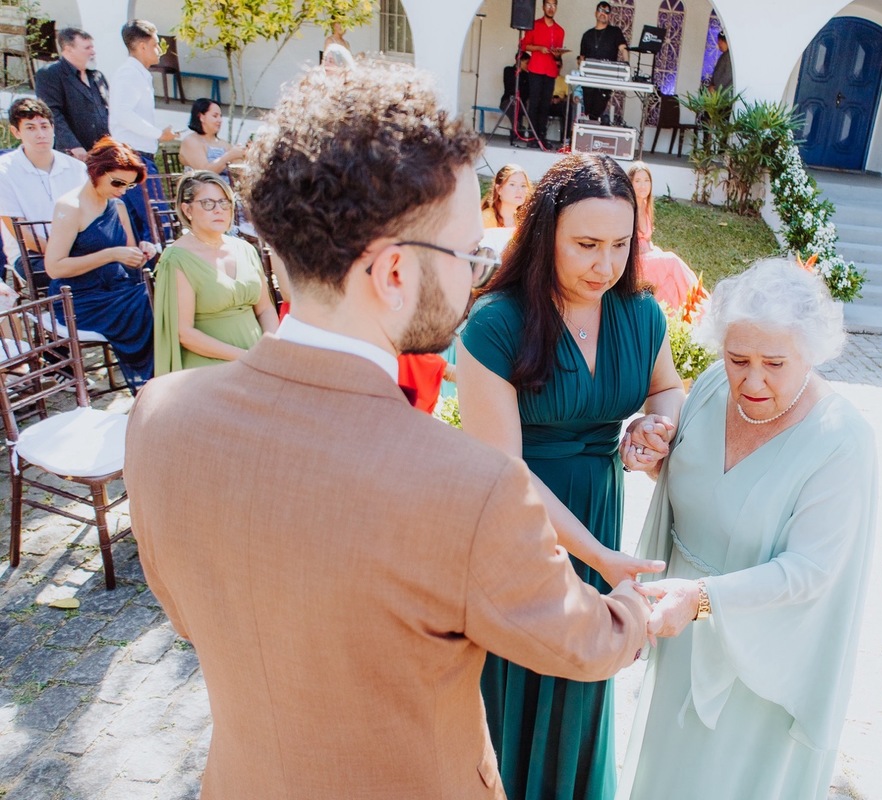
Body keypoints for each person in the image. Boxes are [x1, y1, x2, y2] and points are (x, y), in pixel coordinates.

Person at [124, 62, 651, 799]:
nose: (476, 274)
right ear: (395, 273)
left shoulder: (159, 415)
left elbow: (187, 610)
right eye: (468, 254)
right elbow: (586, 642)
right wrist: (654, 606)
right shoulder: (471, 486)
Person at [458, 152, 684, 800]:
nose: (604, 265)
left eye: (619, 245)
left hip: (597, 518)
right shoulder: (495, 324)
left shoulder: (639, 314)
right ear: (545, 233)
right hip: (518, 529)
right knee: (516, 690)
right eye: (586, 244)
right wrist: (598, 556)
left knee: (582, 692)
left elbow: (667, 388)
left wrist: (655, 425)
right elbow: (504, 469)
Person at [617, 258, 878, 800]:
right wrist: (651, 452)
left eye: (774, 363)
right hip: (684, 626)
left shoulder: (842, 439)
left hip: (767, 648)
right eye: (738, 358)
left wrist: (703, 599)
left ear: (812, 350)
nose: (751, 379)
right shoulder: (713, 388)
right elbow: (708, 488)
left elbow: (809, 572)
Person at [42, 137, 155, 389]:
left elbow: (130, 256)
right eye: (117, 182)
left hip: (117, 289)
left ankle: (164, 378)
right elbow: (54, 267)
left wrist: (142, 252)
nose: (123, 190)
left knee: (165, 295)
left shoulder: (117, 205)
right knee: (151, 303)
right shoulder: (70, 207)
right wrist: (112, 254)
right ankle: (149, 383)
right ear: (96, 172)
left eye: (129, 185)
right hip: (80, 299)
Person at [152, 171, 278, 375]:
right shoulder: (176, 259)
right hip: (209, 366)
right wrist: (246, 357)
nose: (219, 210)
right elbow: (184, 333)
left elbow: (265, 309)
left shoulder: (245, 249)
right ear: (187, 209)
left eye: (224, 202)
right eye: (208, 203)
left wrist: (269, 348)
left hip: (259, 358)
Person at [0, 97, 88, 291]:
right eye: (30, 128)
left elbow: (91, 215)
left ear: (53, 128)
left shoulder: (76, 168)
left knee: (121, 272)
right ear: (16, 132)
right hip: (31, 256)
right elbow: (22, 235)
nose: (40, 134)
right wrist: (71, 258)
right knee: (80, 277)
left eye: (44, 126)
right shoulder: (4, 172)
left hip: (79, 251)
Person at [109, 19, 178, 244]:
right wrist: (159, 134)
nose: (159, 50)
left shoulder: (139, 74)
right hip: (134, 159)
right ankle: (155, 275)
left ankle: (143, 276)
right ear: (142, 46)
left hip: (135, 158)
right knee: (158, 224)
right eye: (156, 44)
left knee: (139, 227)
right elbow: (123, 114)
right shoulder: (129, 73)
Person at [627, 162, 700, 309]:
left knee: (671, 282)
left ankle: (684, 309)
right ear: (630, 183)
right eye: (638, 181)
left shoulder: (646, 206)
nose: (643, 185)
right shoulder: (629, 208)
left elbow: (647, 239)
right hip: (635, 262)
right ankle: (696, 299)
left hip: (647, 256)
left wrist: (653, 251)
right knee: (672, 260)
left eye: (646, 181)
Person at [35, 28, 109, 161]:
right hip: (73, 155)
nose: (93, 52)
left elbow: (108, 111)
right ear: (69, 49)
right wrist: (73, 145)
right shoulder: (50, 74)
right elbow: (51, 113)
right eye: (87, 48)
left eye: (92, 47)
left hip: (104, 153)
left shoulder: (97, 76)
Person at [518, 0, 565, 147]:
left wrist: (557, 54)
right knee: (535, 103)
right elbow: (524, 45)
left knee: (545, 104)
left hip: (550, 70)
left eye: (554, 5)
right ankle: (533, 137)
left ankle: (542, 137)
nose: (551, 8)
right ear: (543, 7)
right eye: (548, 5)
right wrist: (539, 48)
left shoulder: (560, 30)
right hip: (536, 68)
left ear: (557, 7)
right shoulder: (535, 25)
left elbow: (558, 55)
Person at [579, 1, 628, 123]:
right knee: (588, 110)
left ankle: (594, 129)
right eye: (601, 10)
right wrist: (581, 74)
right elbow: (582, 58)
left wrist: (626, 64)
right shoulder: (587, 35)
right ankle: (588, 130)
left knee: (598, 109)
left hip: (606, 77)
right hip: (589, 78)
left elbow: (623, 48)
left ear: (610, 15)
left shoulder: (615, 32)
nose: (603, 14)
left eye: (607, 12)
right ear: (596, 13)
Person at [178, 99, 246, 176]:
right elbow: (204, 173)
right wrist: (229, 156)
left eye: (220, 116)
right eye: (215, 116)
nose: (220, 120)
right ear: (201, 117)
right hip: (201, 186)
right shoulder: (191, 141)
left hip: (227, 187)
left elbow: (241, 170)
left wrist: (247, 154)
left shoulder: (223, 144)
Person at [481, 164, 532, 229]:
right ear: (499, 189)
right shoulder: (486, 219)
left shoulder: (523, 221)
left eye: (523, 185)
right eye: (512, 184)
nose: (520, 190)